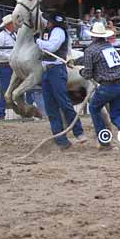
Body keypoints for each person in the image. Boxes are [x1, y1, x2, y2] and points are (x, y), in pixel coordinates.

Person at [36, 12, 87, 149]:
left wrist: (38, 41)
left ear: (52, 22)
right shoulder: (50, 31)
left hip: (56, 70)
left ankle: (78, 131)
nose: (48, 23)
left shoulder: (58, 31)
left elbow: (52, 47)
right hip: (48, 71)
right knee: (51, 106)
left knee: (63, 102)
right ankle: (61, 140)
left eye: (49, 21)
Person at [79, 22, 120, 150]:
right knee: (116, 115)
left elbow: (87, 74)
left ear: (93, 36)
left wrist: (80, 71)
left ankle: (104, 141)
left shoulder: (90, 50)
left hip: (107, 87)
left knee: (94, 108)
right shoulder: (109, 47)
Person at [0, 15, 16, 120]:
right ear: (9, 25)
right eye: (14, 23)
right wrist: (10, 56)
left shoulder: (15, 34)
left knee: (14, 88)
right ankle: (1, 114)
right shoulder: (0, 36)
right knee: (5, 89)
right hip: (4, 65)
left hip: (12, 65)